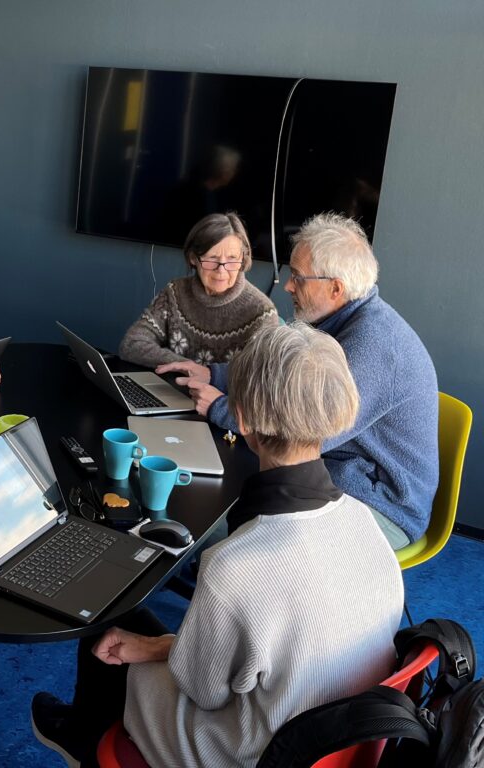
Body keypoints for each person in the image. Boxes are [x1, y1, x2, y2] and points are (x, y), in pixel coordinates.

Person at [32, 322, 405, 768]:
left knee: (110, 619)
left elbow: (203, 692)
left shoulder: (236, 565)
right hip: (334, 748)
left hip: (242, 752)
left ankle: (88, 742)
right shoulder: (365, 523)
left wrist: (161, 645)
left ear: (241, 418)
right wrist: (160, 645)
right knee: (143, 633)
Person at [158, 213, 438, 549]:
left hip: (378, 502)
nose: (288, 285)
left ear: (336, 287)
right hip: (332, 471)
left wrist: (220, 407)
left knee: (212, 528)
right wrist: (216, 374)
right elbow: (275, 370)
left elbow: (304, 431)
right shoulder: (335, 317)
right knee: (214, 504)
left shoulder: (372, 345)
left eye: (298, 277)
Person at [119, 212, 277, 368]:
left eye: (232, 259)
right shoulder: (174, 293)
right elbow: (132, 344)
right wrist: (187, 367)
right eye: (212, 258)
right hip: (172, 389)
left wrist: (211, 377)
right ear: (193, 258)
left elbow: (263, 378)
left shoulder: (261, 312)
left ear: (243, 258)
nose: (221, 270)